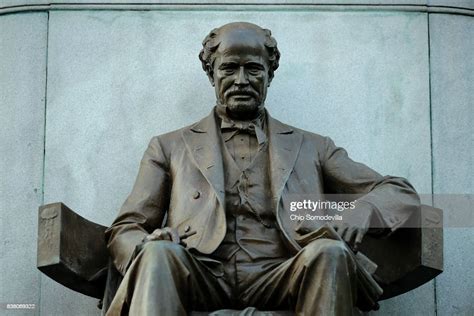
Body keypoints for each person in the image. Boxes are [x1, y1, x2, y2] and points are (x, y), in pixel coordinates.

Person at [105, 22, 420, 316]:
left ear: (269, 74)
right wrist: (147, 245)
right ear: (211, 73)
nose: (241, 80)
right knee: (158, 256)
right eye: (229, 68)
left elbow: (399, 192)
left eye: (253, 69)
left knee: (330, 253)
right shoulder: (168, 146)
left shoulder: (313, 147)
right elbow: (126, 227)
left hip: (285, 272)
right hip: (199, 271)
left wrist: (364, 209)